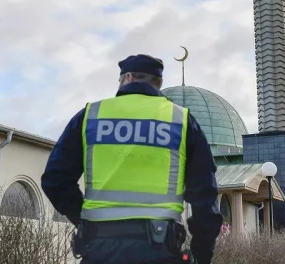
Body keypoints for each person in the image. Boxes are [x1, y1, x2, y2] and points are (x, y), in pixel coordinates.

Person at [41, 54, 223, 264]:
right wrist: (201, 256)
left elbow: (55, 180)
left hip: (100, 250)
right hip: (161, 250)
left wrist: (83, 222)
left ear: (127, 77)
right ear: (158, 83)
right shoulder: (181, 121)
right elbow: (205, 200)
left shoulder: (91, 116)